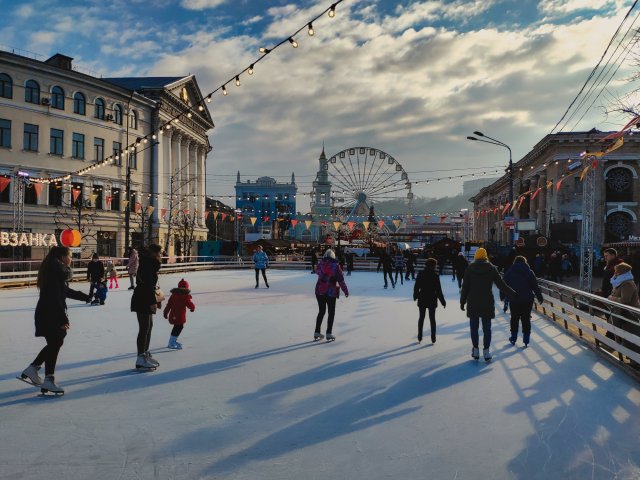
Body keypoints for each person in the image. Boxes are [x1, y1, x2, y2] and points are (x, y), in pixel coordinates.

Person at [20, 246, 91, 394]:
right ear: (63, 257)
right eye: (70, 256)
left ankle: (35, 370)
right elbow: (55, 297)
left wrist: (85, 297)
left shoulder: (55, 271)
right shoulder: (56, 271)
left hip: (48, 313)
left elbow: (63, 292)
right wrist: (62, 318)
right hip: (51, 314)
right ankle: (45, 377)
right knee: (56, 343)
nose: (71, 259)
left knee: (55, 343)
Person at [460, 247, 515, 361]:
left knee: (474, 328)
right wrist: (512, 293)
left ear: (476, 256)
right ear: (486, 256)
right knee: (487, 328)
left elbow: (465, 287)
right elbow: (501, 285)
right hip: (487, 302)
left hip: (473, 301)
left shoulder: (470, 268)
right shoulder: (491, 268)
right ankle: (486, 351)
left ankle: (475, 350)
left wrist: (462, 301)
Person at [131, 243, 163, 370]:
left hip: (145, 297)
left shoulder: (150, 264)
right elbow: (148, 285)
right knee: (144, 328)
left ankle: (145, 353)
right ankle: (140, 357)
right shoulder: (147, 264)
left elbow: (151, 285)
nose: (161, 256)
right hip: (142, 298)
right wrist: (152, 302)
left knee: (149, 326)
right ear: (154, 253)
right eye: (159, 253)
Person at [503, 256, 544, 347]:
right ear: (525, 262)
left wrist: (503, 295)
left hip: (514, 299)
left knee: (514, 318)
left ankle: (513, 337)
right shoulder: (529, 272)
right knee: (526, 319)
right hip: (527, 299)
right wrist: (539, 297)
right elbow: (535, 286)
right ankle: (526, 339)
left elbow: (503, 284)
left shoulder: (509, 271)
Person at [314, 249, 349, 341]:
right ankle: (328, 333)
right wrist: (345, 291)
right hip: (330, 292)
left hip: (319, 291)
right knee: (331, 312)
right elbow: (341, 280)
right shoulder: (336, 266)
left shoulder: (320, 264)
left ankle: (317, 331)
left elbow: (317, 272)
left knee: (321, 311)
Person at [413, 257, 446, 343]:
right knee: (432, 318)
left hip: (422, 297)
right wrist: (443, 301)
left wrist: (415, 295)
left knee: (421, 317)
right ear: (433, 265)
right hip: (432, 298)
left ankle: (420, 336)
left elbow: (416, 286)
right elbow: (438, 290)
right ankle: (433, 337)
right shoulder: (435, 275)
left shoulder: (421, 273)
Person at [164, 278, 196, 349]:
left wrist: (165, 313)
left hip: (173, 315)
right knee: (179, 327)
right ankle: (171, 342)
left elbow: (168, 305)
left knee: (177, 327)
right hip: (180, 316)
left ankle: (173, 341)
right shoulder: (185, 296)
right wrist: (192, 308)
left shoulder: (173, 295)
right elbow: (190, 304)